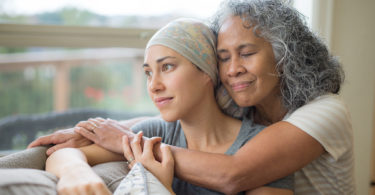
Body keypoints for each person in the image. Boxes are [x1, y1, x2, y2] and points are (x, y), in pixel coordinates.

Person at [5, 0, 354, 194]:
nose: (232, 70)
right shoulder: (239, 100)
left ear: (284, 53)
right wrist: (90, 134)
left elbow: (235, 172)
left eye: (246, 53)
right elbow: (167, 122)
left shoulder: (324, 111)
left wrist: (128, 141)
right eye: (223, 57)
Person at [44, 18, 293, 195]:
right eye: (148, 73)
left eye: (167, 67)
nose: (153, 85)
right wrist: (75, 173)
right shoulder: (153, 133)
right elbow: (63, 153)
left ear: (207, 72)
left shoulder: (258, 151)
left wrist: (162, 189)